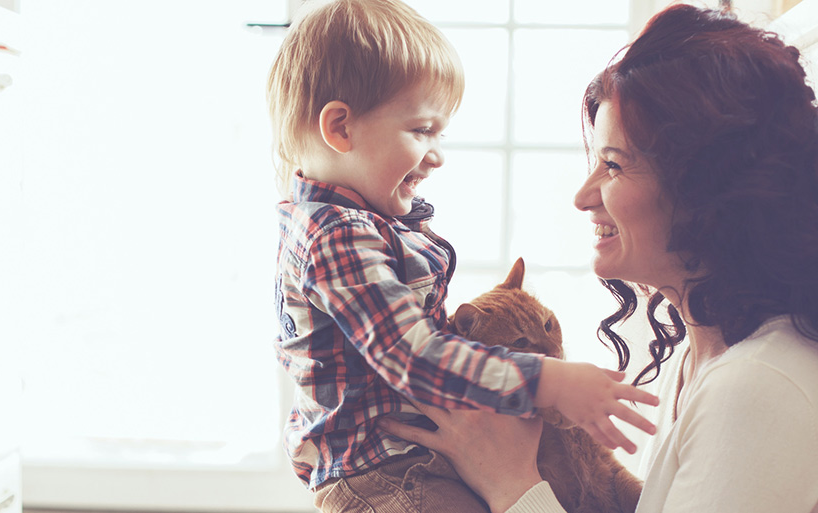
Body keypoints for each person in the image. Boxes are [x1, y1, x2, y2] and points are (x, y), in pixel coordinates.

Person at [379, 4, 818, 512]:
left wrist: (510, 483)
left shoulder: (758, 385)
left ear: (705, 188)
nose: (582, 197)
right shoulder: (696, 356)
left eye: (612, 165)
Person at [267, 0, 658, 510]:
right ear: (341, 128)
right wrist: (546, 380)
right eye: (421, 130)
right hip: (386, 476)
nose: (437, 156)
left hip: (406, 464)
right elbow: (414, 355)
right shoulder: (336, 235)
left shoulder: (359, 225)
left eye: (440, 133)